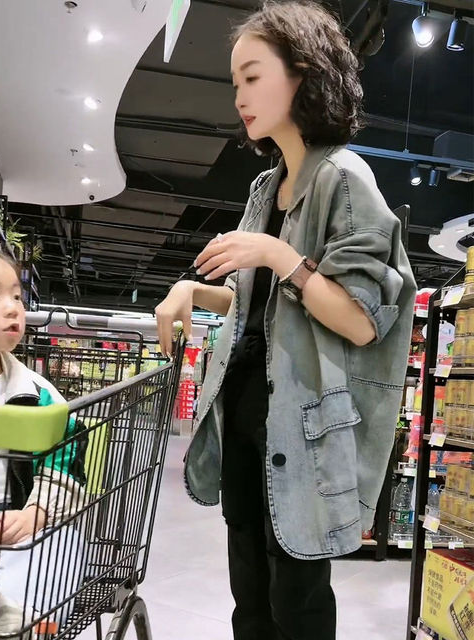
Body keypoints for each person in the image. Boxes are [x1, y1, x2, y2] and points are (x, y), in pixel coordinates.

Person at [155, 2, 417, 638]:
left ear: (303, 74)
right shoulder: (264, 188)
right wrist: (192, 290)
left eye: (252, 76)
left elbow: (360, 319)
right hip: (244, 404)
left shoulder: (343, 179)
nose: (239, 96)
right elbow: (255, 303)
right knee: (248, 589)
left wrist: (279, 254)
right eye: (235, 82)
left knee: (296, 597)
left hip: (302, 421)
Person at [0, 248, 86, 637]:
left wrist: (36, 514)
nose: (12, 308)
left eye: (17, 296)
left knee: (56, 553)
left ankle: (20, 618)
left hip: (18, 526)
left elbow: (65, 461)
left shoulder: (37, 395)